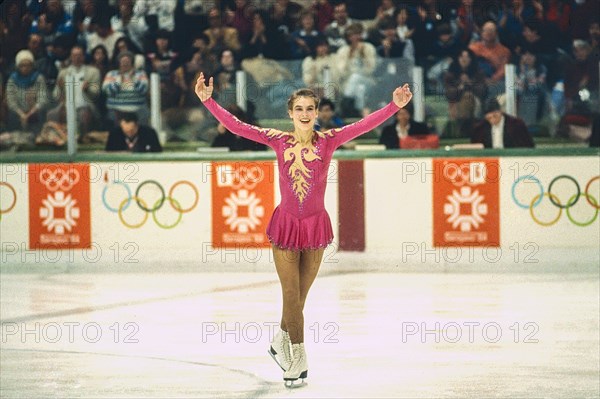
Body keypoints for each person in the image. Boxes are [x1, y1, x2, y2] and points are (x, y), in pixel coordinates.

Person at [194, 72, 412, 386]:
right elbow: (238, 127)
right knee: (290, 293)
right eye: (300, 109)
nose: (306, 114)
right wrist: (208, 101)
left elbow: (364, 126)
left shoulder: (329, 140)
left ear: (316, 112)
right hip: (285, 226)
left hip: (314, 228)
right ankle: (298, 355)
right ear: (290, 113)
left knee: (300, 297)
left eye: (311, 109)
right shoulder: (277, 139)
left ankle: (279, 341)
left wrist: (393, 106)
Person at [5, 50, 49, 137]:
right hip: (17, 113)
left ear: (32, 66)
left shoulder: (39, 78)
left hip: (35, 112)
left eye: (28, 65)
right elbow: (11, 101)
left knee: (41, 113)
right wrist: (21, 114)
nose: (25, 68)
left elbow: (43, 99)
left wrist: (30, 113)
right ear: (18, 66)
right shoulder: (12, 80)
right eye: (22, 65)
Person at [102, 51, 149, 124]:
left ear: (132, 62)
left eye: (127, 61)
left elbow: (143, 90)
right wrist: (119, 79)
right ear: (119, 63)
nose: (125, 63)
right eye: (123, 61)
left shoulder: (140, 74)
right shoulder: (111, 74)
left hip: (137, 108)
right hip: (116, 108)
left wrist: (133, 78)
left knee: (143, 114)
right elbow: (109, 92)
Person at [470, 98, 534, 149]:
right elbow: (475, 148)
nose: (492, 120)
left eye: (495, 116)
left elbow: (528, 145)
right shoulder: (480, 128)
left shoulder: (516, 125)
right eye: (489, 118)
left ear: (500, 111)